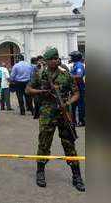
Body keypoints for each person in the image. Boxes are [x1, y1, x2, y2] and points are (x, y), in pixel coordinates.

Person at [25, 48, 85, 192]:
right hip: (47, 113)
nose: (55, 60)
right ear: (46, 61)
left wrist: (68, 103)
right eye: (52, 58)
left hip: (64, 112)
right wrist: (43, 92)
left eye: (57, 58)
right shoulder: (40, 74)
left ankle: (77, 176)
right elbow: (28, 89)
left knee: (69, 143)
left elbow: (76, 93)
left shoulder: (65, 75)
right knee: (44, 142)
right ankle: (40, 172)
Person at [69, 51, 86, 127]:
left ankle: (81, 121)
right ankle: (74, 121)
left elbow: (79, 76)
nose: (71, 58)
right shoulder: (75, 65)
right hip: (75, 87)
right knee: (73, 105)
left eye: (72, 56)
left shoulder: (79, 65)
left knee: (80, 105)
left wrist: (69, 76)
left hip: (79, 87)